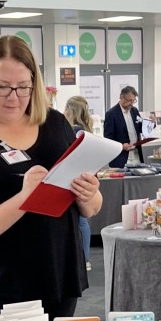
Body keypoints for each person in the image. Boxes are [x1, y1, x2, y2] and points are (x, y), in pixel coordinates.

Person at [0, 35, 103, 321]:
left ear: (35, 84)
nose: (13, 97)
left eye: (23, 87)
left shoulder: (56, 125)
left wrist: (88, 194)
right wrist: (25, 197)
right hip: (3, 284)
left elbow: (93, 207)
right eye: (2, 86)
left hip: (60, 274)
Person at [63, 95, 96, 271]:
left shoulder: (74, 132)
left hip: (74, 181)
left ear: (70, 109)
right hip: (85, 179)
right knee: (83, 221)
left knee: (81, 222)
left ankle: (84, 259)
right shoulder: (87, 131)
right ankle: (86, 258)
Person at [103, 86, 143, 167]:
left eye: (133, 100)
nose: (131, 103)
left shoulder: (134, 111)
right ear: (121, 97)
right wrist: (121, 146)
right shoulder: (111, 114)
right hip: (121, 157)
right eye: (129, 100)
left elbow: (140, 128)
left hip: (136, 154)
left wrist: (151, 124)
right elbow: (108, 138)